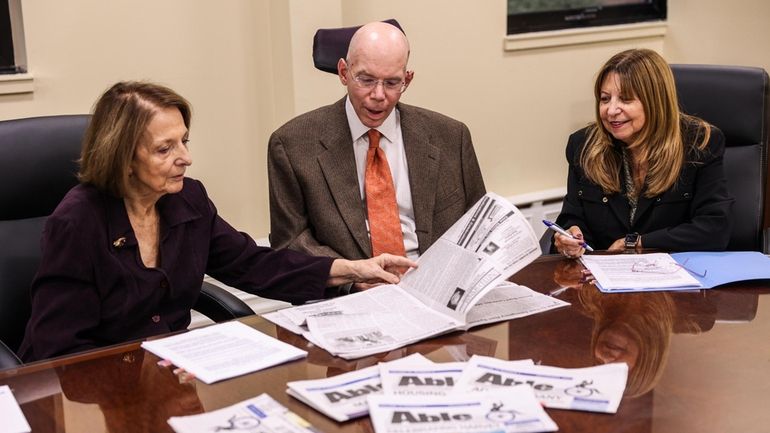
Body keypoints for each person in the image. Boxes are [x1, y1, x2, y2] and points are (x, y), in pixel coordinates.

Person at [18, 81, 416, 362]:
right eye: (164, 148)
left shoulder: (186, 200)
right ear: (123, 158)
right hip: (90, 394)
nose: (186, 158)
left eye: (184, 141)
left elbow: (253, 264)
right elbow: (62, 350)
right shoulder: (77, 221)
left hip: (173, 372)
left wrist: (348, 269)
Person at [268, 21, 486, 264]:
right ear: (343, 72)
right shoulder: (292, 145)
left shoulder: (451, 137)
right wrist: (353, 275)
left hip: (436, 284)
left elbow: (479, 225)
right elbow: (290, 243)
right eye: (366, 80)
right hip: (352, 290)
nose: (379, 96)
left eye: (392, 83)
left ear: (408, 79)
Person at [553, 48, 733, 258]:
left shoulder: (699, 143)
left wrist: (637, 243)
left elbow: (715, 228)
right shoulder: (583, 145)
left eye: (625, 99)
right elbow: (572, 217)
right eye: (605, 99)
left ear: (655, 101)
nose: (611, 111)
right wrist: (569, 236)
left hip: (676, 278)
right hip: (601, 280)